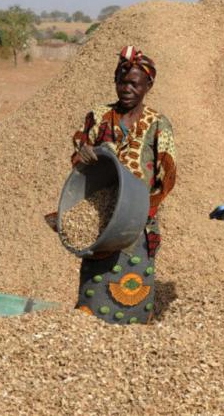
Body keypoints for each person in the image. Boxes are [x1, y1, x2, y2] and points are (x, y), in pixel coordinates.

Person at [70, 46, 177, 324]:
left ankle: (133, 338)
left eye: (134, 84)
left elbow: (167, 173)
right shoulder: (99, 116)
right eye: (122, 82)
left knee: (134, 282)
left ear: (148, 85)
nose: (126, 89)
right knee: (95, 288)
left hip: (139, 222)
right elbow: (80, 153)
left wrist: (142, 208)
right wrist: (83, 154)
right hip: (99, 220)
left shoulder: (158, 124)